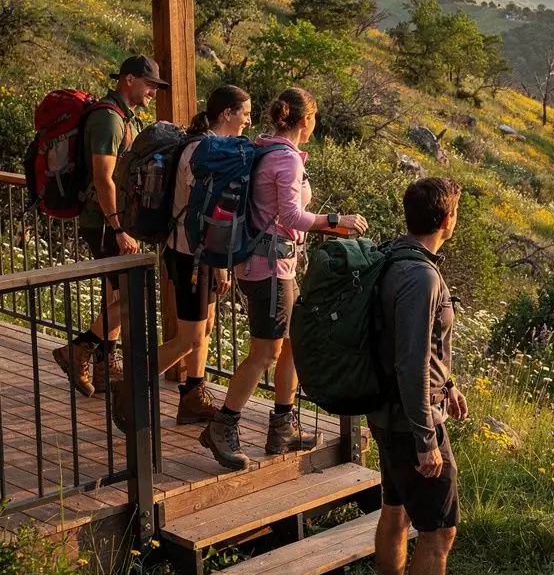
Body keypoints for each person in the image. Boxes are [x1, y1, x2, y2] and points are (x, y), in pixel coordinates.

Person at [200, 86, 368, 470]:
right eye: (314, 119)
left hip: (272, 265)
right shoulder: (287, 160)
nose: (314, 126)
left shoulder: (267, 148)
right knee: (265, 354)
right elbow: (291, 216)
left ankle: (282, 427)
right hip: (270, 269)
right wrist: (335, 221)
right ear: (304, 119)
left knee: (290, 343)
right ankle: (222, 426)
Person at [367, 177, 483, 575]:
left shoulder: (392, 258)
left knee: (395, 511)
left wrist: (450, 384)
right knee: (438, 532)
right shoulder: (423, 278)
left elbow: (415, 348)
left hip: (384, 414)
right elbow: (411, 360)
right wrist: (425, 438)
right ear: (447, 221)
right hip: (410, 422)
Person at [110, 85, 252, 433]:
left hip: (194, 253)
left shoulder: (202, 146)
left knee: (204, 329)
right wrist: (219, 261)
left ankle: (192, 394)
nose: (248, 119)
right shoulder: (204, 151)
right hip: (191, 256)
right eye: (244, 112)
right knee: (188, 338)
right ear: (227, 113)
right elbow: (206, 212)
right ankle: (131, 384)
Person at [52, 55, 167, 397]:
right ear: (128, 80)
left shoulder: (121, 117)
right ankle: (79, 350)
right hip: (105, 221)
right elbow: (104, 180)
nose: (153, 92)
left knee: (117, 293)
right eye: (149, 84)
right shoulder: (108, 119)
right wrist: (120, 229)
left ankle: (104, 364)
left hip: (109, 219)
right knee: (135, 295)